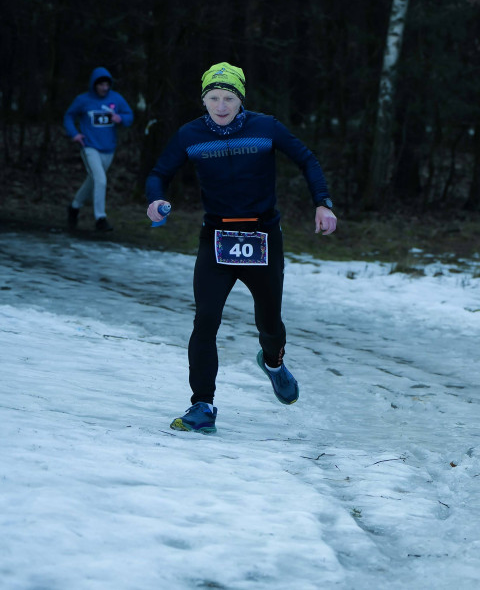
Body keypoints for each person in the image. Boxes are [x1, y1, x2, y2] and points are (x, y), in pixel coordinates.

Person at [146, 62, 338, 434]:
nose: (221, 106)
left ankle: (273, 363)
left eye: (228, 98)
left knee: (269, 323)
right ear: (204, 101)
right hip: (216, 239)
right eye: (214, 98)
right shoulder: (190, 135)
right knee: (205, 321)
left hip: (262, 237)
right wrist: (155, 200)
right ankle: (202, 405)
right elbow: (159, 174)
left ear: (240, 100)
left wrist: (323, 202)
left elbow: (306, 158)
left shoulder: (265, 128)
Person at [64, 67, 135, 231]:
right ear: (94, 85)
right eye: (101, 85)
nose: (104, 88)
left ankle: (74, 207)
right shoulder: (83, 100)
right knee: (101, 180)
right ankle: (100, 219)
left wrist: (120, 118)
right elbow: (68, 116)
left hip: (108, 149)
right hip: (89, 147)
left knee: (93, 180)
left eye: (107, 85)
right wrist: (74, 133)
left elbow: (129, 115)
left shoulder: (116, 99)